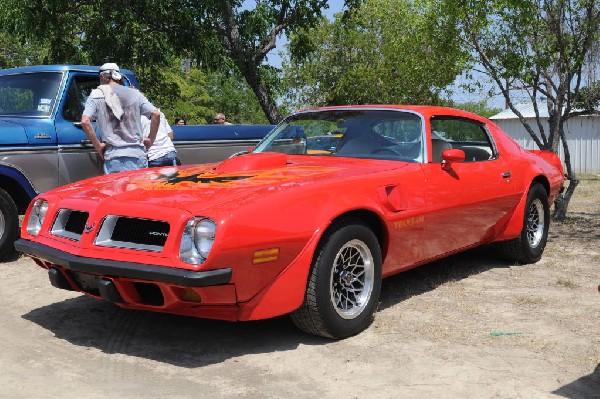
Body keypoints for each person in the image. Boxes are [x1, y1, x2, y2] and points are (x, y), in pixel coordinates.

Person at [81, 62, 160, 174]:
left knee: (116, 191)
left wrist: (98, 146)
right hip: (137, 156)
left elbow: (85, 121)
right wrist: (151, 139)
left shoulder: (96, 94)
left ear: (102, 76)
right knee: (137, 191)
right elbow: (156, 114)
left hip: (114, 157)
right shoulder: (135, 94)